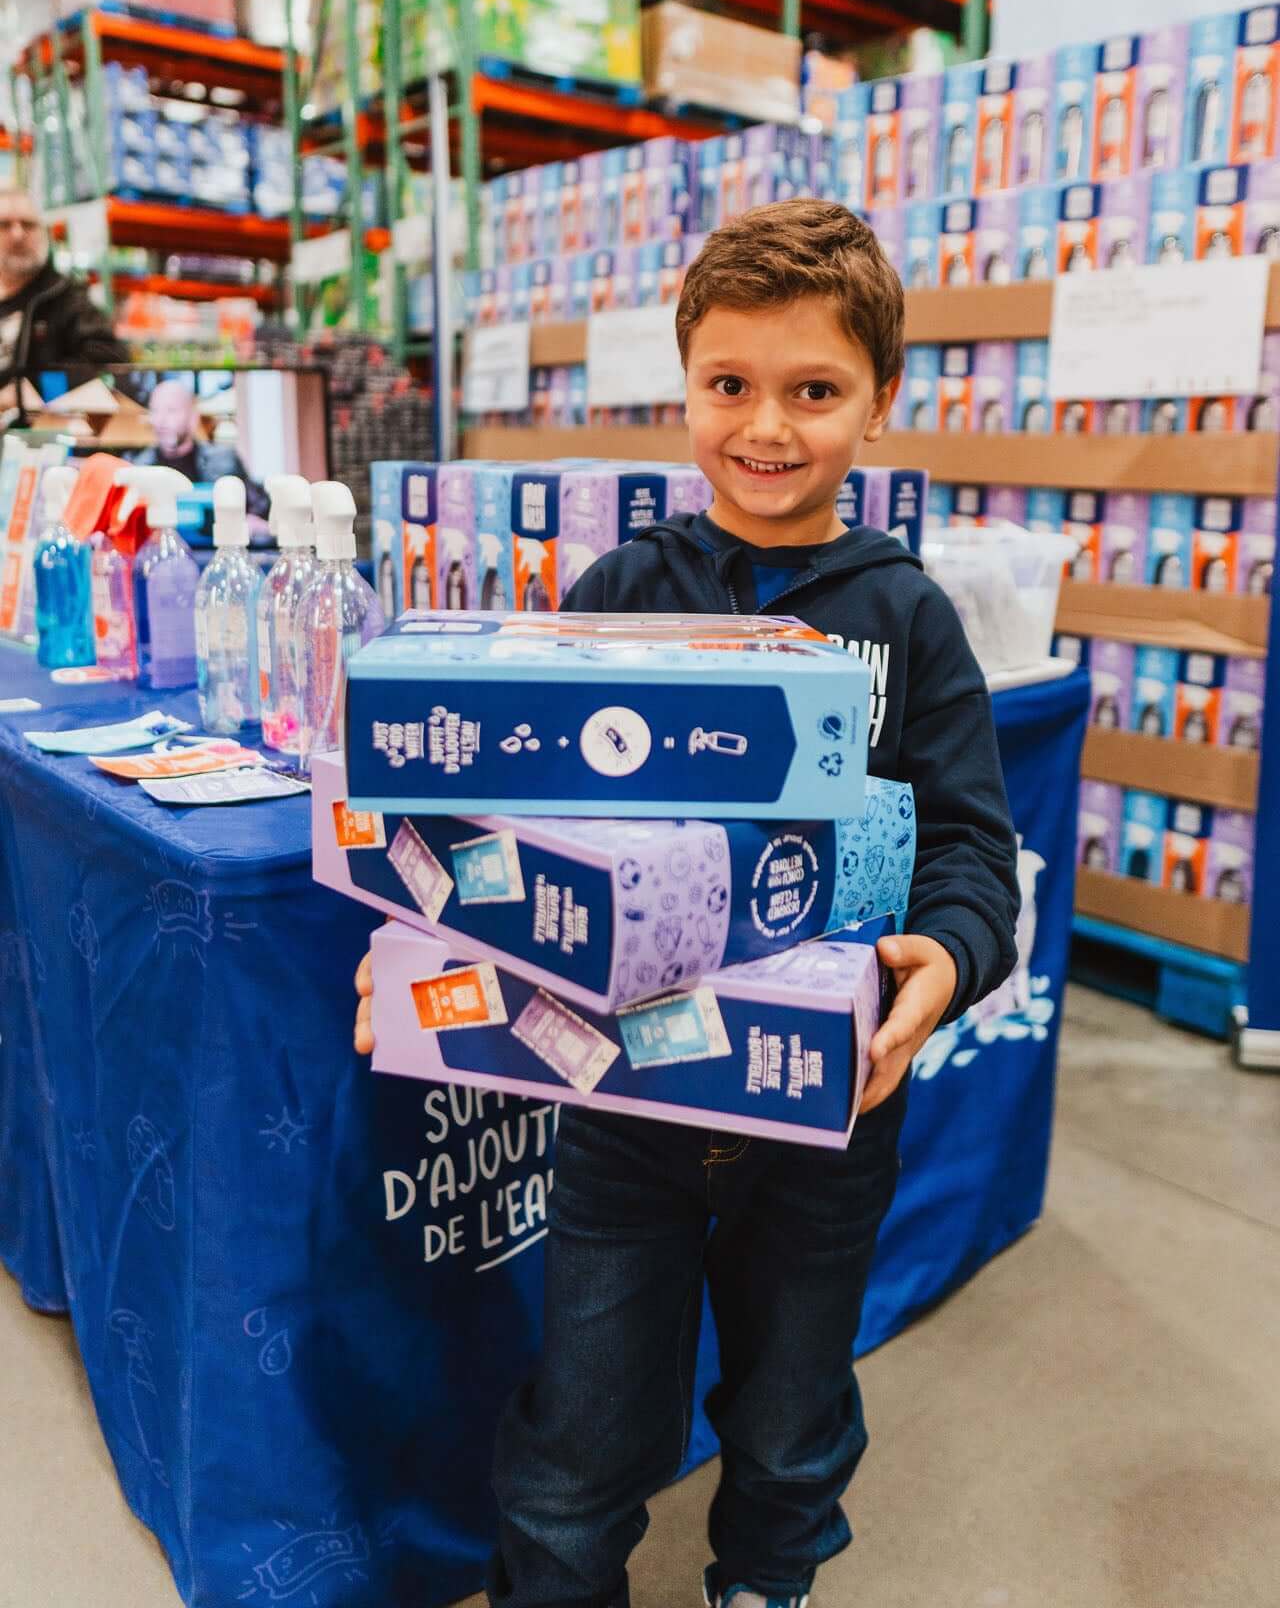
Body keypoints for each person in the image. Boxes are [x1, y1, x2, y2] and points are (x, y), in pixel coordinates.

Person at [355, 200, 1021, 1608]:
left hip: (824, 1117)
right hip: (625, 1106)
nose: (767, 427)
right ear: (687, 390)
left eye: (815, 391)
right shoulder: (617, 596)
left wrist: (946, 961)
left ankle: (765, 1582)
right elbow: (505, 833)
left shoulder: (909, 622)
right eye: (731, 386)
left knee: (788, 1423)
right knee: (583, 1431)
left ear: (880, 406)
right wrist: (418, 945)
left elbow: (971, 847)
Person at [0, 186, 123, 397]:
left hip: (37, 427)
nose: (18, 234)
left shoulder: (68, 298)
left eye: (28, 225)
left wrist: (34, 391)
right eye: (4, 225)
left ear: (45, 232)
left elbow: (110, 367)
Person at [133, 378, 270, 521]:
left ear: (193, 418)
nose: (161, 420)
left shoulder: (224, 462)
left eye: (171, 410)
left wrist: (253, 525)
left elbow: (259, 509)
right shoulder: (138, 469)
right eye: (154, 410)